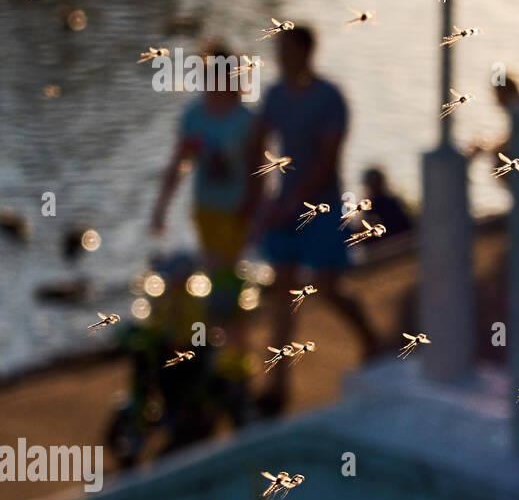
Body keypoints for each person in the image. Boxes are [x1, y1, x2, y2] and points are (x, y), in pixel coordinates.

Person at [252, 26, 377, 414]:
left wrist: (295, 201)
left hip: (319, 207)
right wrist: (260, 198)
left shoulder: (330, 98)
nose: (281, 56)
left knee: (326, 286)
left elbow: (328, 159)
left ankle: (372, 340)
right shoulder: (274, 95)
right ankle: (278, 385)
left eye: (288, 49)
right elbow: (257, 141)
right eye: (279, 49)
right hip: (285, 207)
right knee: (283, 291)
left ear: (307, 52)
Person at [151, 37, 260, 313]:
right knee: (217, 274)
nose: (208, 78)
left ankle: (227, 332)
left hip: (237, 211)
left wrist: (256, 214)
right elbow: (178, 165)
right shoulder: (194, 116)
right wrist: (161, 207)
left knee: (222, 271)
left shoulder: (246, 120)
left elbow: (259, 172)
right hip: (205, 209)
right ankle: (222, 335)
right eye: (205, 72)